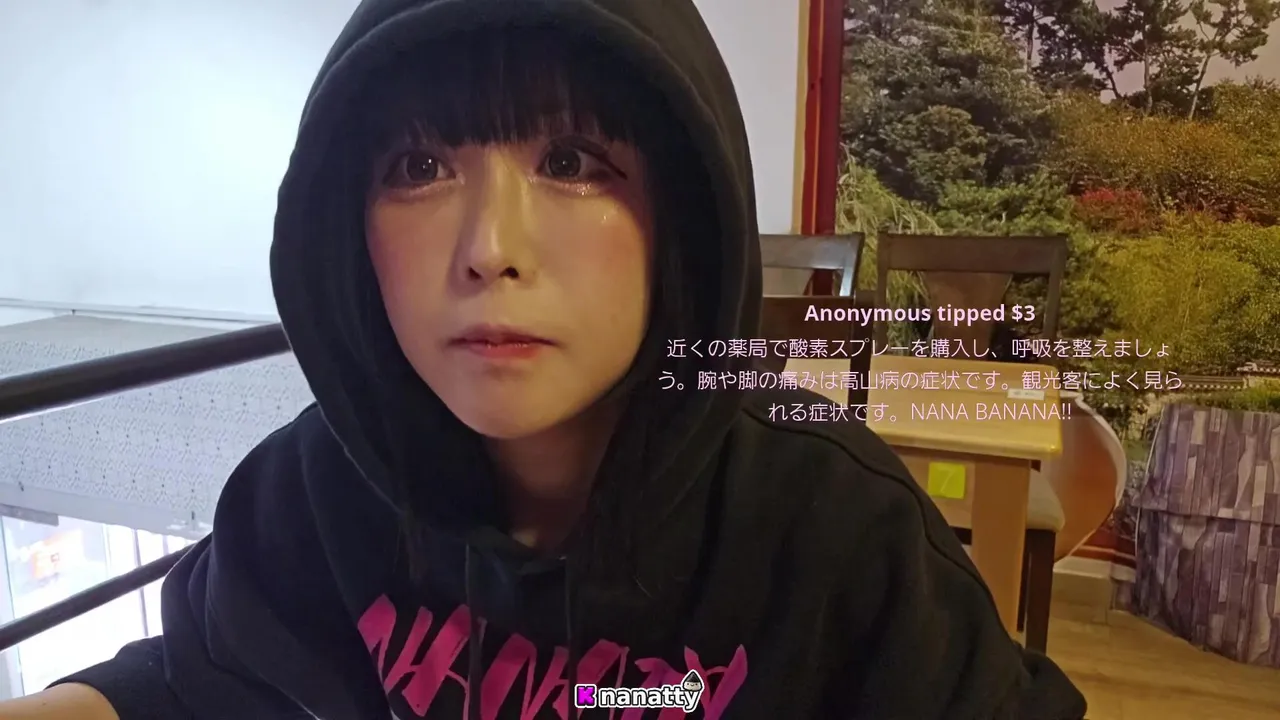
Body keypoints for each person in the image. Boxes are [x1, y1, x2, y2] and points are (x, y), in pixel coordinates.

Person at [0, 0, 1088, 718]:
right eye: (418, 167)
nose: (489, 249)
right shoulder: (318, 490)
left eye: (570, 161)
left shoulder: (836, 532)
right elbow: (180, 682)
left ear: (681, 213)